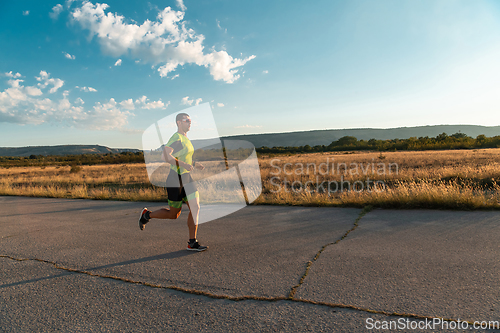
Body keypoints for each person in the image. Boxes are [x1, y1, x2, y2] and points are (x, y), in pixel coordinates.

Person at [138, 113, 207, 252]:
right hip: (175, 179)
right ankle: (147, 215)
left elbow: (182, 156)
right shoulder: (176, 138)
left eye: (190, 120)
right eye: (186, 120)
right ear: (178, 123)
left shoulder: (185, 139)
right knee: (173, 214)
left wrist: (193, 163)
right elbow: (165, 156)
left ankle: (192, 242)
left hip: (187, 178)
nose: (189, 123)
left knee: (195, 207)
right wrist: (183, 164)